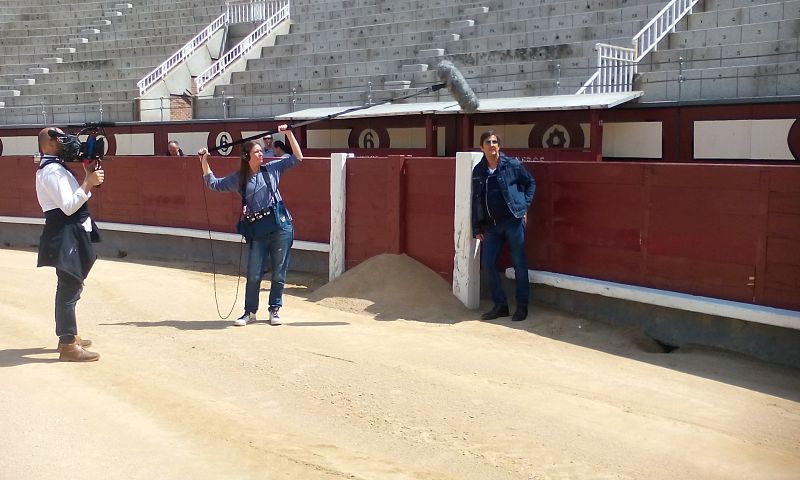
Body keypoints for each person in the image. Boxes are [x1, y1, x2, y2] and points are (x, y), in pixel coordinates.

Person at [198, 124, 303, 327]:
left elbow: (297, 157)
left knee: (279, 272)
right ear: (247, 156)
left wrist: (288, 133)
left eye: (261, 152)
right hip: (258, 231)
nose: (261, 154)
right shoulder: (239, 178)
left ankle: (274, 309)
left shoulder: (272, 168)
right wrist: (204, 161)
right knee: (254, 273)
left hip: (281, 226)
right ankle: (250, 312)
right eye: (257, 152)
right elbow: (213, 183)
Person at [35, 127, 105, 361]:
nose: (67, 143)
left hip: (68, 231)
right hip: (65, 233)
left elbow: (75, 200)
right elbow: (68, 206)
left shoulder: (54, 168)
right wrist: (88, 182)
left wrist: (87, 178)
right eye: (61, 140)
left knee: (70, 285)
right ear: (49, 144)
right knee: (68, 286)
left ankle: (69, 336)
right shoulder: (52, 170)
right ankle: (67, 343)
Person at [471, 131, 536, 322]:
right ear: (481, 148)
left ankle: (522, 306)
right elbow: (476, 200)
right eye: (487, 142)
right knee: (489, 263)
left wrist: (524, 207)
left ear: (499, 146)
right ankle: (500, 305)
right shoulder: (479, 170)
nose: (492, 145)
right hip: (492, 226)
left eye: (495, 142)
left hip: (513, 221)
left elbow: (530, 182)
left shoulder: (512, 165)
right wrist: (476, 227)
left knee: (519, 263)